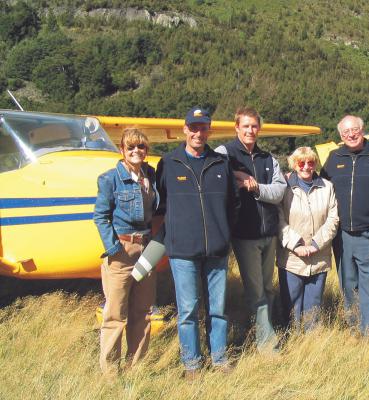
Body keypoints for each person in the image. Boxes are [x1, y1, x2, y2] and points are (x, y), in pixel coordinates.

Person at [156, 107, 239, 377]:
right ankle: (191, 363)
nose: (198, 133)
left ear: (209, 131)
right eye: (193, 127)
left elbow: (233, 204)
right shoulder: (168, 163)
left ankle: (219, 358)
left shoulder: (220, 163)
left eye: (203, 128)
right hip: (182, 251)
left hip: (216, 249)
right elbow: (161, 205)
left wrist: (224, 233)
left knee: (218, 309)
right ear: (185, 129)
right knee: (188, 310)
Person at [215, 107, 286, 351]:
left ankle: (257, 330)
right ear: (236, 128)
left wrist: (255, 188)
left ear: (259, 129)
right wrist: (236, 173)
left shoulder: (268, 158)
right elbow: (217, 173)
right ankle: (267, 345)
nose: (250, 130)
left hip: (269, 233)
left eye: (254, 126)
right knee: (256, 291)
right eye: (245, 126)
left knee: (268, 288)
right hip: (244, 234)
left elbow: (279, 192)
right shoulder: (225, 152)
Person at [321, 115, 369, 334]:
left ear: (363, 130)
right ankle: (355, 328)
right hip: (343, 235)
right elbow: (322, 188)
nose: (351, 135)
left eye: (354, 130)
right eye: (345, 132)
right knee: (348, 283)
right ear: (340, 135)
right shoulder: (334, 158)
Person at [93, 128, 159, 374]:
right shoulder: (110, 179)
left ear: (146, 151)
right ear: (122, 150)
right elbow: (100, 216)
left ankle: (136, 369)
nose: (136, 151)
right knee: (115, 315)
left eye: (140, 147)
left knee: (142, 312)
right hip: (122, 249)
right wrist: (114, 248)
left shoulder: (149, 175)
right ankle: (110, 373)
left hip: (147, 248)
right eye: (130, 147)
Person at [277, 147, 339, 330]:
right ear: (294, 164)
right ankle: (292, 338)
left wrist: (315, 244)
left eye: (310, 162)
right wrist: (296, 245)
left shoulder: (327, 187)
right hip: (291, 258)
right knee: (291, 305)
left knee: (314, 305)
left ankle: (311, 340)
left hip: (318, 256)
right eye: (301, 163)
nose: (306, 167)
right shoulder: (285, 187)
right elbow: (278, 219)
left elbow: (333, 219)